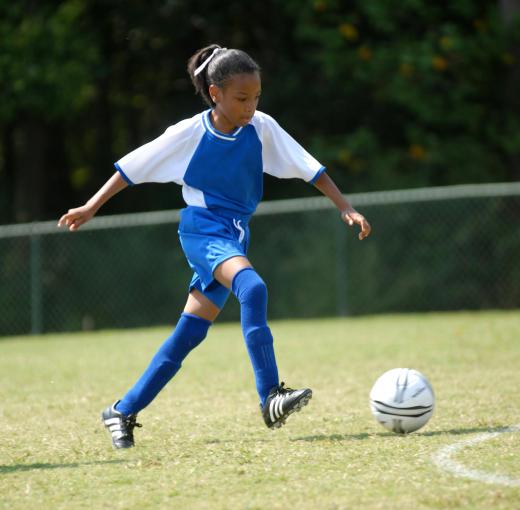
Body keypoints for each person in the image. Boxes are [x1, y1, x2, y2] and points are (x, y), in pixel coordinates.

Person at [58, 44, 371, 449]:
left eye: (256, 96)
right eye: (241, 98)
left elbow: (310, 168)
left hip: (235, 234)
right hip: (203, 229)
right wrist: (91, 206)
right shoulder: (189, 134)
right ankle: (270, 396)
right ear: (214, 93)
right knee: (253, 288)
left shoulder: (261, 126)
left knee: (187, 336)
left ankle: (121, 410)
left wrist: (345, 206)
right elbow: (131, 168)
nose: (250, 106)